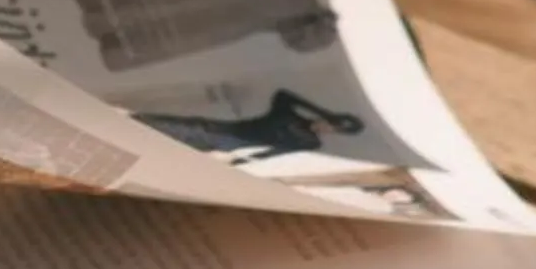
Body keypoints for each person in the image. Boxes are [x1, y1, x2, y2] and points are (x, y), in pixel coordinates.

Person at [140, 90, 368, 160]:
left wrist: (239, 162)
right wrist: (323, 111)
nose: (327, 126)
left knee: (166, 141)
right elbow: (284, 95)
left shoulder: (310, 142)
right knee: (155, 125)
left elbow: (272, 153)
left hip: (230, 142)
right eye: (331, 121)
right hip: (219, 127)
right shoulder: (288, 113)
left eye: (335, 128)